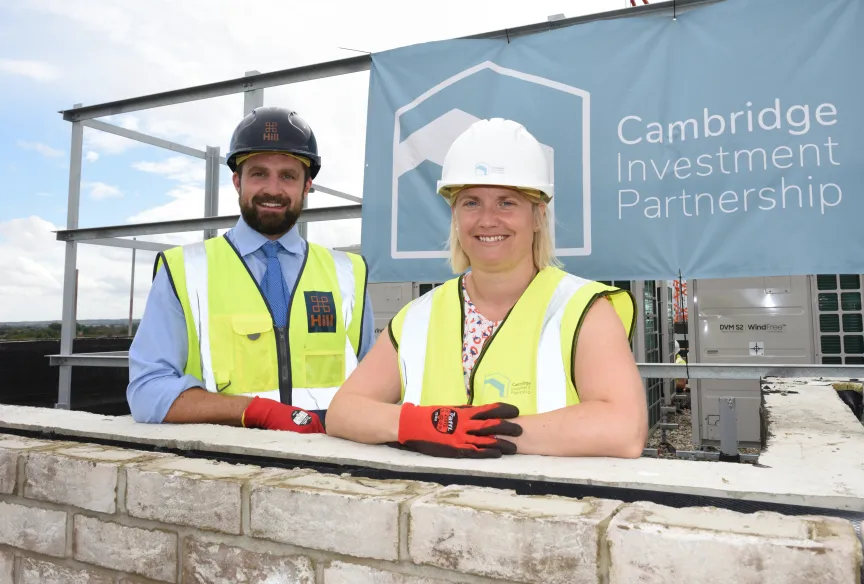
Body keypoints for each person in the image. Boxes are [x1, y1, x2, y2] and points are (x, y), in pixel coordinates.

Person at [326, 118, 648, 458]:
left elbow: (624, 428)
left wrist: (482, 431)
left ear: (538, 215)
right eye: (471, 202)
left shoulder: (584, 310)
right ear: (454, 215)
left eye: (507, 202)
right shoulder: (419, 317)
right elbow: (344, 411)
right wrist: (422, 424)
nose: (487, 219)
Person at [127, 106, 374, 434]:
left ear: (306, 185)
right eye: (259, 173)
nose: (273, 189)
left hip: (328, 467)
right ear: (237, 181)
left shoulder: (349, 274)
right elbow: (147, 393)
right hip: (226, 469)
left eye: (288, 175)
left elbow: (375, 387)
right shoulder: (183, 271)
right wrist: (253, 411)